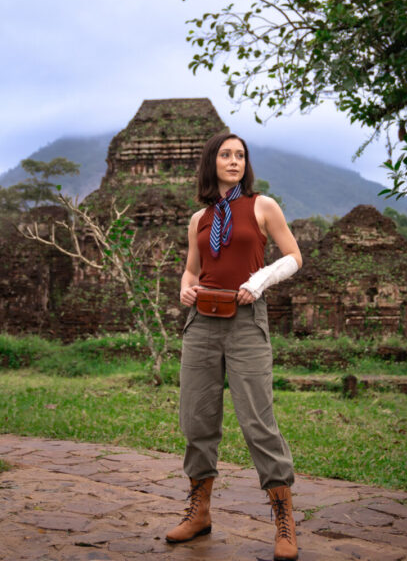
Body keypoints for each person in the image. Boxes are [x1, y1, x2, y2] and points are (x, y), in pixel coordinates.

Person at [165, 131, 303, 561]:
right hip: (201, 323)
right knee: (197, 419)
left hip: (246, 321)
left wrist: (259, 281)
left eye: (240, 155)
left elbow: (293, 256)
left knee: (258, 420)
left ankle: (283, 520)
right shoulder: (198, 219)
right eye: (226, 154)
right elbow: (192, 272)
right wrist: (185, 290)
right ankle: (199, 510)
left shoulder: (263, 206)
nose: (234, 161)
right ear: (212, 162)